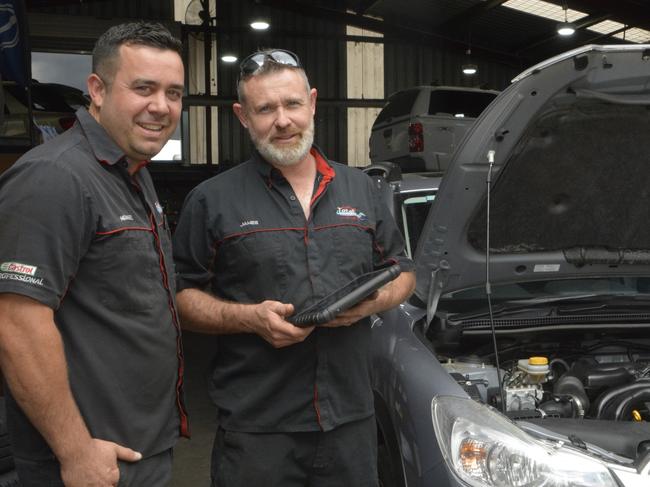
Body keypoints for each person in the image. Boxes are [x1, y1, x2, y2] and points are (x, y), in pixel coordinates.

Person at [172, 48, 416, 487]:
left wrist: (372, 302)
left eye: (292, 104)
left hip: (351, 423)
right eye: (265, 108)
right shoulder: (212, 200)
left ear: (313, 103)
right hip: (257, 430)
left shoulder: (361, 190)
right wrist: (248, 318)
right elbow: (180, 297)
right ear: (242, 116)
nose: (282, 120)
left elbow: (405, 271)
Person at [0, 22, 188, 487]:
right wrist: (75, 450)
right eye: (143, 88)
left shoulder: (130, 170)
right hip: (88, 462)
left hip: (137, 446)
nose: (161, 106)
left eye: (174, 92)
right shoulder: (56, 177)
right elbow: (16, 324)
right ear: (97, 90)